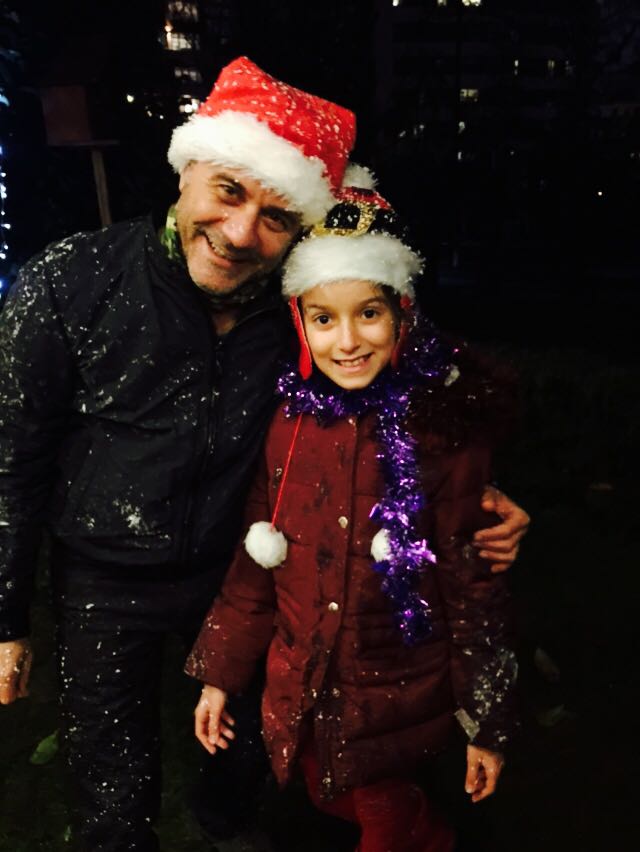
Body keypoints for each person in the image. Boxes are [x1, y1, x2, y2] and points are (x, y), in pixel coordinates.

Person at [0, 56, 527, 850]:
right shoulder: (69, 284)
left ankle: (229, 826)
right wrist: (7, 616)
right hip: (103, 580)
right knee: (111, 785)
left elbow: (411, 370)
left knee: (247, 760)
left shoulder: (301, 307)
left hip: (242, 569)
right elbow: (13, 455)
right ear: (187, 170)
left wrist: (478, 495)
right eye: (228, 190)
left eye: (277, 216)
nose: (242, 232)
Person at [187, 179, 518, 852]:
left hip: (394, 694)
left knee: (381, 817)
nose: (347, 341)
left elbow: (472, 587)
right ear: (300, 323)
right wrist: (221, 674)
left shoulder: (439, 434)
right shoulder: (289, 426)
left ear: (402, 314)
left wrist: (485, 722)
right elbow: (255, 565)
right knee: (321, 785)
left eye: (368, 313)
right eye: (324, 319)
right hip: (303, 681)